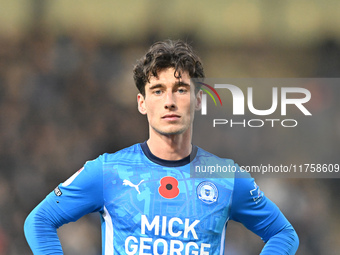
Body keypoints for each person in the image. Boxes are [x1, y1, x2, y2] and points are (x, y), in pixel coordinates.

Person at [24, 39, 299, 255]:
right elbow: (39, 221)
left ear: (199, 100)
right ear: (142, 103)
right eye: (157, 90)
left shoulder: (225, 177)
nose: (169, 101)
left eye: (180, 89)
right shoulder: (109, 170)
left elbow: (284, 235)